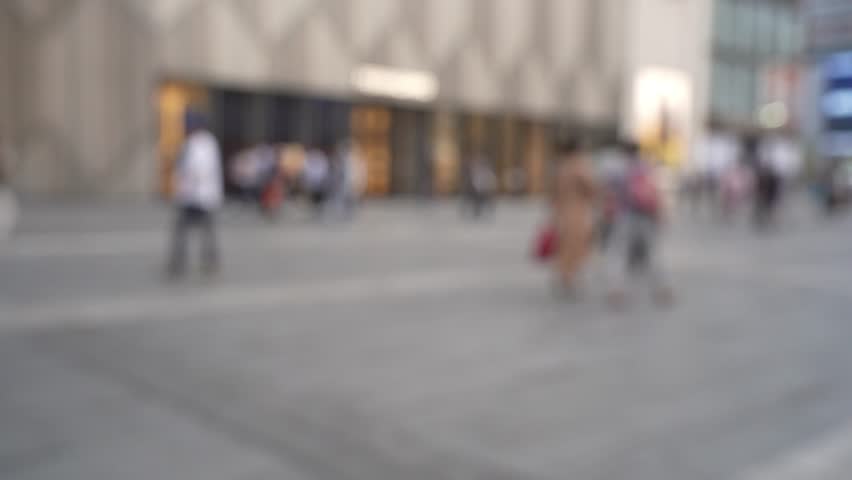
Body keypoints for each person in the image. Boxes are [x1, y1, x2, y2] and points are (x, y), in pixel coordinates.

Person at [605, 141, 672, 307]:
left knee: (618, 253)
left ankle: (617, 291)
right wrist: (660, 213)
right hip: (646, 216)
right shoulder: (647, 168)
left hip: (625, 216)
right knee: (653, 253)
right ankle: (662, 289)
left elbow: (610, 194)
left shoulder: (617, 170)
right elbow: (657, 193)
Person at [166, 111, 223, 278]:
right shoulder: (204, 142)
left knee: (185, 229)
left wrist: (185, 185)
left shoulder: (199, 143)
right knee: (204, 230)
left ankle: (182, 261)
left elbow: (197, 169)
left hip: (196, 196)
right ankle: (208, 260)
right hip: (201, 196)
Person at [550, 139, 600, 292]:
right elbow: (591, 187)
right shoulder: (578, 166)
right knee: (577, 246)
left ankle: (565, 276)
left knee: (564, 246)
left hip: (562, 212)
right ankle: (570, 277)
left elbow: (553, 193)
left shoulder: (560, 167)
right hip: (577, 212)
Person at [303, 145, 330, 218]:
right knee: (314, 197)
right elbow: (306, 168)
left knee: (319, 197)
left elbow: (323, 168)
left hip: (318, 180)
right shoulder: (311, 156)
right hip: (314, 180)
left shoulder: (320, 157)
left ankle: (318, 210)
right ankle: (315, 210)